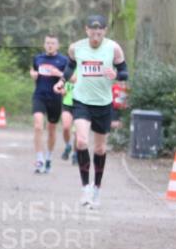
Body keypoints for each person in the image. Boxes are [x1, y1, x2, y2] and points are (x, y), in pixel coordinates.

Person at [54, 15, 128, 208]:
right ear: (86, 30)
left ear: (104, 31)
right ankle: (85, 187)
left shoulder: (113, 48)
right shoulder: (76, 47)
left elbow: (125, 72)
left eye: (100, 31)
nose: (96, 35)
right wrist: (61, 81)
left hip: (103, 104)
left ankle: (97, 188)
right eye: (93, 31)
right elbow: (70, 67)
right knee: (81, 141)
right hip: (81, 102)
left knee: (100, 148)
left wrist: (117, 74)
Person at [29, 35, 68, 173]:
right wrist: (32, 74)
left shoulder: (63, 60)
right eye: (47, 43)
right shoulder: (38, 58)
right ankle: (39, 159)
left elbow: (69, 78)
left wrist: (59, 74)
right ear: (44, 44)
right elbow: (33, 70)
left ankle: (49, 158)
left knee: (51, 129)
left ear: (57, 45)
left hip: (55, 98)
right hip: (39, 95)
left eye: (52, 43)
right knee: (38, 125)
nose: (50, 45)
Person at [61, 78, 78, 164]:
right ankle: (68, 145)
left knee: (77, 132)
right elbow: (60, 85)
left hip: (80, 105)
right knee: (66, 128)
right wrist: (62, 90)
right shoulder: (67, 69)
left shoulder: (84, 68)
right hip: (67, 103)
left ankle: (75, 154)